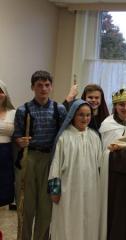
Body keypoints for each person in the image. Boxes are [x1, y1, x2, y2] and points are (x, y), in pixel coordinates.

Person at [13, 70, 66, 240]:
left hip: (51, 161)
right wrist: (20, 141)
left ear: (51, 87)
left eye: (47, 85)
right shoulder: (23, 110)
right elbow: (17, 136)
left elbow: (64, 135)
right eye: (39, 85)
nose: (43, 88)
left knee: (47, 207)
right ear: (32, 87)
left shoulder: (59, 109)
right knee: (26, 205)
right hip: (29, 158)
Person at [48, 100, 101, 240]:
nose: (85, 119)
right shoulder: (64, 137)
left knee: (88, 221)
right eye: (81, 115)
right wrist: (54, 191)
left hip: (91, 190)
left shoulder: (95, 137)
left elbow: (100, 166)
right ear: (73, 116)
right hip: (68, 191)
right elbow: (55, 166)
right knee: (67, 222)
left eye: (88, 115)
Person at [99, 88, 126, 240]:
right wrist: (123, 149)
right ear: (115, 106)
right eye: (121, 105)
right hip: (115, 175)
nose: (125, 108)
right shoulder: (108, 124)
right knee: (117, 211)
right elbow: (105, 150)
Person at [0, 80, 16, 207]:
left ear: (5, 94)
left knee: (3, 193)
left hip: (6, 156)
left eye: (1, 92)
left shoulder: (14, 113)